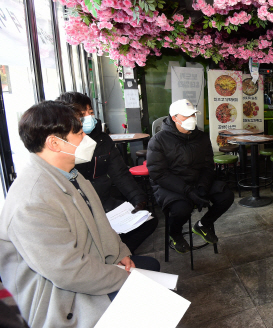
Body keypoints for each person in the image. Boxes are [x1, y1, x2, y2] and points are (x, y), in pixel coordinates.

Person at [0, 101, 159, 328]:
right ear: (54, 143)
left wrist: (119, 253)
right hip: (58, 299)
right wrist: (124, 278)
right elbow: (68, 272)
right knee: (150, 298)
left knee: (151, 271)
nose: (87, 139)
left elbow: (100, 223)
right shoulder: (32, 201)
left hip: (88, 266)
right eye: (79, 133)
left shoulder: (70, 173)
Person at [57, 91, 158, 254]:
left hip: (104, 201)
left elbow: (120, 173)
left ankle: (117, 256)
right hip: (80, 209)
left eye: (90, 112)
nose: (89, 118)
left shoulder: (103, 140)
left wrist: (138, 198)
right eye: (81, 115)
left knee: (148, 222)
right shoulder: (61, 146)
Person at [147, 99, 234, 253]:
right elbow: (158, 173)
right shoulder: (158, 140)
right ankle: (175, 234)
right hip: (170, 184)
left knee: (226, 195)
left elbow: (208, 166)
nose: (192, 119)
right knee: (182, 208)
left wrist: (202, 187)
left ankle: (203, 225)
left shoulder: (201, 137)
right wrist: (188, 191)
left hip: (197, 181)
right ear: (174, 118)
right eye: (186, 116)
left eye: (193, 114)